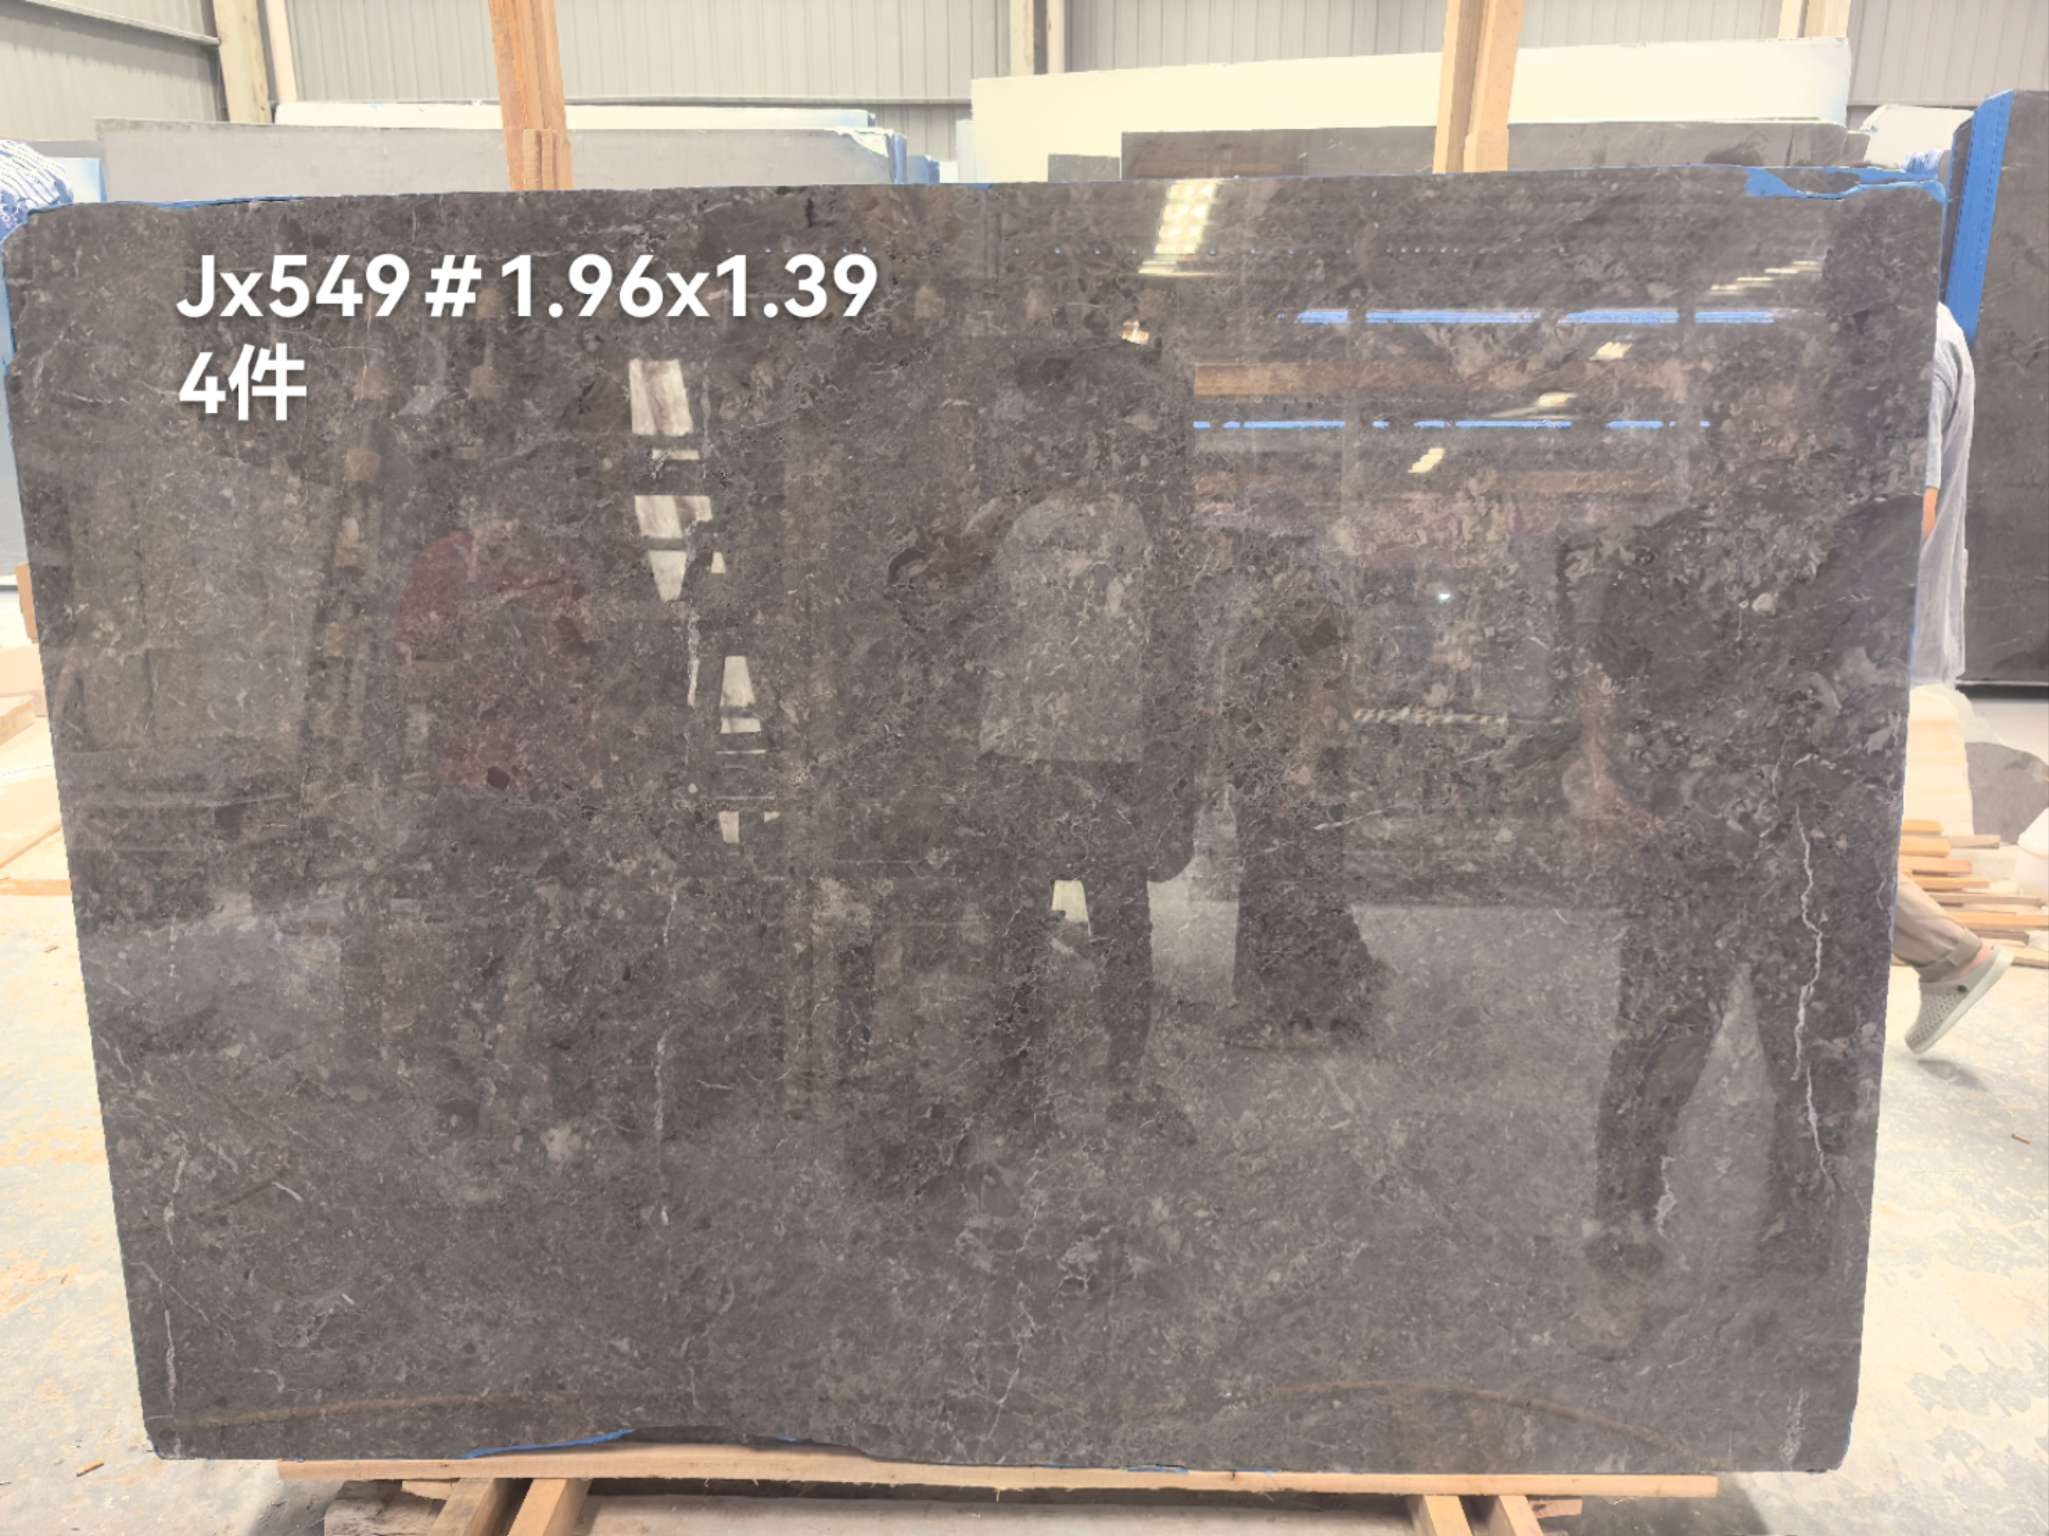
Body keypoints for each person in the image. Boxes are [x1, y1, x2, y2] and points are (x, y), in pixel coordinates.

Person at [1893, 303, 2011, 1055]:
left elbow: (1910, 510)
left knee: (1812, 818)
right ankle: (1946, 955)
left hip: (1861, 643)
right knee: (1814, 816)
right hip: (1860, 639)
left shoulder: (1916, 341)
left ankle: (1949, 954)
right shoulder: (1914, 324)